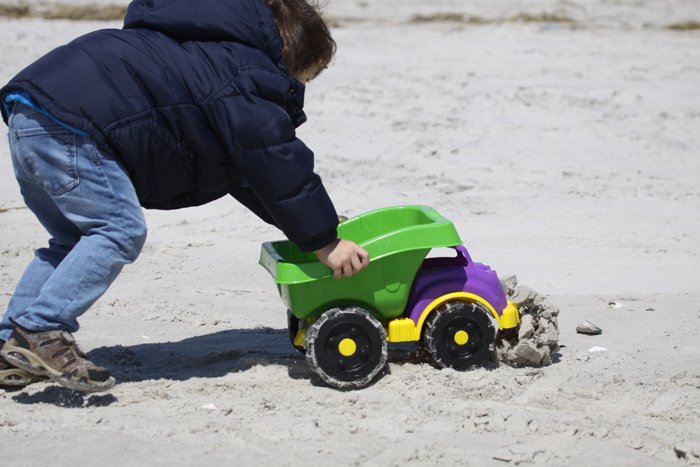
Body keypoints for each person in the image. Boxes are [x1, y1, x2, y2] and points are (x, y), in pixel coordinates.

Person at [0, 0, 369, 392]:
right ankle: (43, 329)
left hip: (32, 116)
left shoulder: (197, 50)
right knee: (118, 230)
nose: (300, 88)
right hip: (74, 129)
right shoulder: (245, 70)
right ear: (292, 55)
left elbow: (252, 176)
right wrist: (324, 241)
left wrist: (311, 230)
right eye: (307, 76)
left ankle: (11, 343)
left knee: (71, 241)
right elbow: (272, 158)